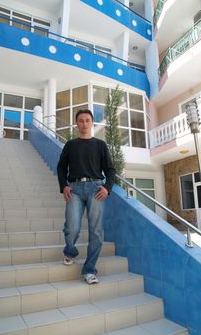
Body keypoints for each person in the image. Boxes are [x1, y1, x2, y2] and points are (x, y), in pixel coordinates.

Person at [57, 109, 115, 284]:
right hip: (74, 189)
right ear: (77, 124)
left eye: (87, 120)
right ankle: (70, 251)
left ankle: (89, 270)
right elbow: (61, 167)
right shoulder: (70, 145)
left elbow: (110, 170)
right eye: (80, 121)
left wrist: (107, 187)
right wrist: (64, 186)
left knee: (96, 231)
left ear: (92, 123)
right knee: (72, 226)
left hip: (95, 189)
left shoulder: (100, 145)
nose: (84, 124)